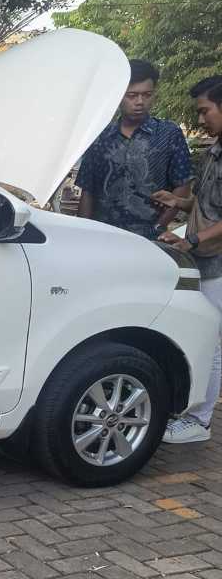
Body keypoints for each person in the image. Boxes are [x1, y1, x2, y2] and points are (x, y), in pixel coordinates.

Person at [155, 77, 222, 443]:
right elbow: (206, 203)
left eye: (205, 111)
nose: (200, 119)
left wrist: (191, 239)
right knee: (201, 335)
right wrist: (177, 202)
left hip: (218, 264)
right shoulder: (214, 152)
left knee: (211, 341)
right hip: (203, 260)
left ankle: (200, 421)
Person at [77, 59, 193, 239]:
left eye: (147, 95)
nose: (140, 102)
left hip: (148, 237)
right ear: (118, 95)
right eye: (132, 95)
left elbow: (182, 184)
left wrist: (159, 226)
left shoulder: (169, 134)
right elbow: (88, 189)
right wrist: (83, 232)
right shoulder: (100, 136)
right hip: (102, 235)